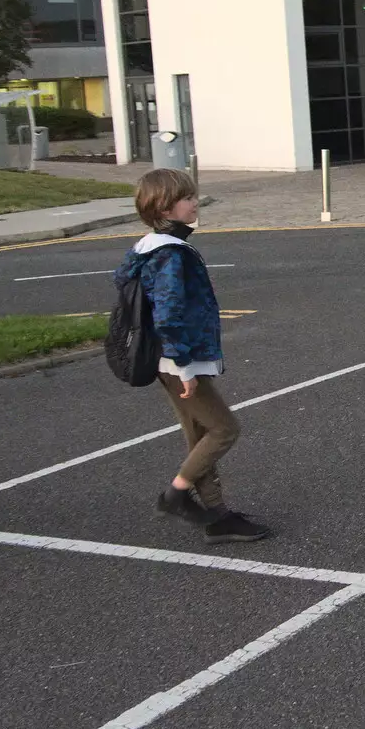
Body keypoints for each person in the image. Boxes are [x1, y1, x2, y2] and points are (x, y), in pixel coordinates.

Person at [114, 168, 269, 543]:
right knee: (224, 429)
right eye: (187, 198)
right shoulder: (171, 255)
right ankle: (176, 494)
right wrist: (185, 366)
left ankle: (216, 517)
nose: (195, 202)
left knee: (198, 434)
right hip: (179, 361)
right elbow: (168, 313)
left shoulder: (150, 246)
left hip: (170, 361)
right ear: (164, 206)